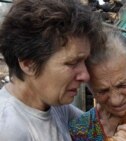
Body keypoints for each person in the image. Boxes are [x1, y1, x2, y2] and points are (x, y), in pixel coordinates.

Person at [0, 0, 105, 140]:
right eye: (72, 63)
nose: (85, 75)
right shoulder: (9, 130)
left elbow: (98, 130)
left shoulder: (55, 106)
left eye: (84, 61)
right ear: (28, 64)